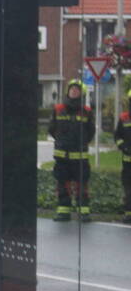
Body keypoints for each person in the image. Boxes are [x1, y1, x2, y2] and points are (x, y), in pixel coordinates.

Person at [49, 79, 94, 222]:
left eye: (77, 89)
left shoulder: (87, 111)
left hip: (80, 156)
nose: (74, 91)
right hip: (62, 155)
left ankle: (84, 212)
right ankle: (63, 211)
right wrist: (61, 142)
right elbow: (52, 129)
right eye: (72, 89)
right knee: (63, 183)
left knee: (82, 183)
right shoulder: (58, 109)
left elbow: (91, 131)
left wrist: (81, 142)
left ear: (82, 93)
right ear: (67, 91)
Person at [116, 90, 131, 224]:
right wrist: (123, 147)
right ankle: (128, 214)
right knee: (128, 189)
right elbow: (117, 136)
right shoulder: (124, 118)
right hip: (127, 162)